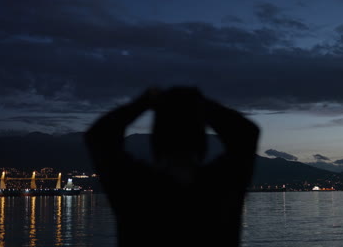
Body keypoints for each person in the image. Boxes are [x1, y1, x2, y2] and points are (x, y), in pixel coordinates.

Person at [84, 87, 259, 247]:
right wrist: (200, 103)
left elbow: (99, 136)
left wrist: (145, 102)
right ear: (202, 144)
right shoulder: (222, 187)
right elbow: (246, 134)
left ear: (155, 144)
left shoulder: (136, 189)